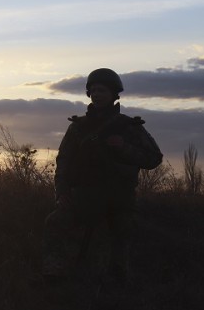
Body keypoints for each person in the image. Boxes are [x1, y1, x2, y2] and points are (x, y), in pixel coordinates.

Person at [42, 68, 163, 284]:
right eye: (93, 90)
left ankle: (118, 283)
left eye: (102, 90)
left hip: (119, 199)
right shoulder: (78, 127)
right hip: (84, 196)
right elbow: (64, 163)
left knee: (122, 234)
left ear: (114, 94)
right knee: (56, 222)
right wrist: (61, 193)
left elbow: (154, 158)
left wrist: (124, 147)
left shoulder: (129, 126)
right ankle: (55, 275)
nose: (97, 94)